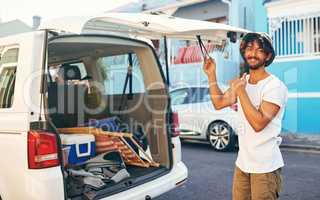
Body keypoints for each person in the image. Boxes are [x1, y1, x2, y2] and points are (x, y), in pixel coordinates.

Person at [203, 32, 288, 200]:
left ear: (268, 55)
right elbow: (218, 103)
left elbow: (258, 123)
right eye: (249, 48)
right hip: (242, 164)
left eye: (259, 49)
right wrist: (212, 75)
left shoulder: (275, 86)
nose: (253, 53)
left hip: (265, 168)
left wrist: (241, 90)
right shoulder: (244, 80)